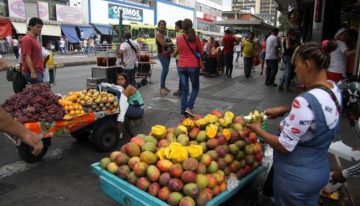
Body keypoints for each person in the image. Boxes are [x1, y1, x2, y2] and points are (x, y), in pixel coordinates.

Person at [247, 42, 341, 205]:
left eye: (296, 66)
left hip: (295, 178)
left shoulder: (303, 101)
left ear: (307, 65)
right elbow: (319, 113)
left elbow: (284, 145)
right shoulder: (334, 89)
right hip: (319, 172)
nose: (295, 71)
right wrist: (286, 109)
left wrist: (257, 130)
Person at [176, 18, 203, 117]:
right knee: (195, 87)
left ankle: (184, 110)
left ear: (182, 27)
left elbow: (179, 50)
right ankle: (189, 107)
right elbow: (200, 52)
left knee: (184, 89)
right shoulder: (196, 38)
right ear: (191, 26)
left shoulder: (179, 38)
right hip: (193, 66)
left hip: (181, 66)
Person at [21, 17, 44, 84]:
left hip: (38, 70)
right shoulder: (27, 39)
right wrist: (32, 72)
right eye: (37, 27)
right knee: (41, 92)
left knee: (38, 93)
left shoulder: (35, 39)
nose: (40, 29)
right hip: (32, 71)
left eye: (41, 27)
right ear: (31, 26)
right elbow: (27, 56)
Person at [156, 20, 173, 96]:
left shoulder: (163, 34)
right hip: (162, 55)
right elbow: (163, 44)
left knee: (166, 70)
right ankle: (161, 88)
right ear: (158, 26)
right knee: (165, 70)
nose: (163, 26)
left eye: (164, 25)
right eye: (162, 25)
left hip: (167, 54)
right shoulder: (158, 34)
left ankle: (163, 86)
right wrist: (170, 43)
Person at [172, 20, 184, 97]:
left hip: (179, 57)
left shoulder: (180, 35)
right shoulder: (186, 33)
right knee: (183, 75)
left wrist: (174, 54)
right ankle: (182, 89)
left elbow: (179, 47)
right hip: (184, 57)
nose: (175, 27)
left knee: (181, 75)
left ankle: (181, 90)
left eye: (175, 26)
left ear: (178, 26)